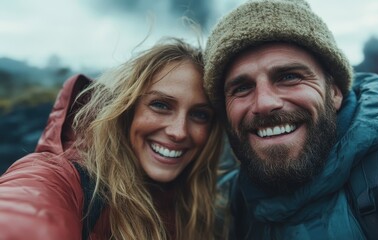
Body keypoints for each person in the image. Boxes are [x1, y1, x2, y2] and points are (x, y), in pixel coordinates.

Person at [204, 0, 378, 239]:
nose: (265, 103)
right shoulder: (221, 206)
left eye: (289, 76)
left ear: (334, 92)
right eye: (242, 87)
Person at [0, 38, 224, 240]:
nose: (179, 132)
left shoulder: (205, 206)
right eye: (161, 105)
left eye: (199, 114)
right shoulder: (61, 177)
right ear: (127, 110)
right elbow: (22, 210)